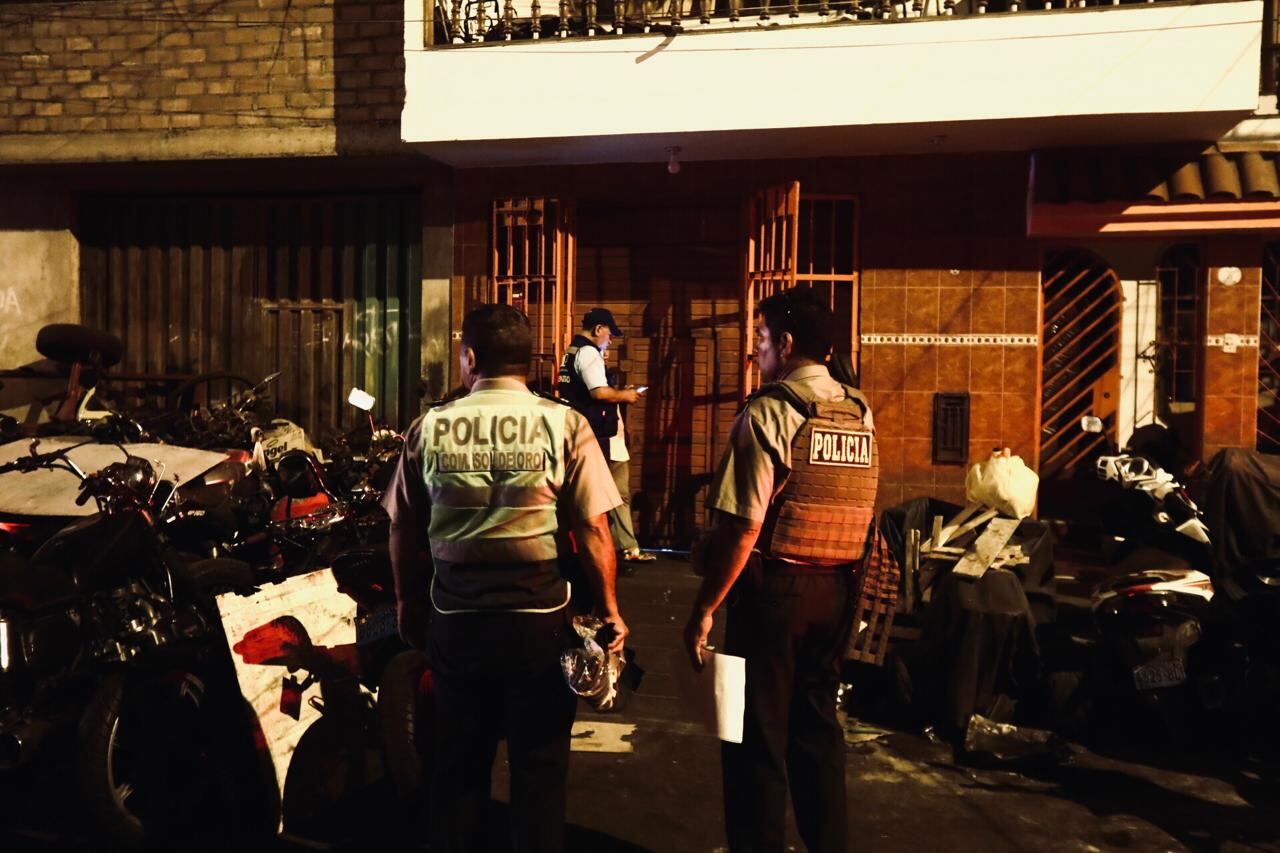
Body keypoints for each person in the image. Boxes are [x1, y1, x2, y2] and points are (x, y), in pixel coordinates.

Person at [385, 303, 629, 853]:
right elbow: (593, 528)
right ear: (526, 362)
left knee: (457, 766)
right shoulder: (567, 424)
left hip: (456, 618)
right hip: (539, 620)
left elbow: (403, 528)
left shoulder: (430, 427)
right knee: (539, 769)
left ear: (469, 358)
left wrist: (407, 604)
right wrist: (611, 610)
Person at [683, 286, 878, 853]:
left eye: (762, 339)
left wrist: (703, 610)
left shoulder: (770, 412)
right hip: (839, 590)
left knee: (755, 740)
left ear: (786, 344)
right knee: (818, 735)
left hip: (776, 597)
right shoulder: (859, 411)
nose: (758, 351)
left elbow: (742, 528)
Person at [558, 306, 656, 567]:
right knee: (614, 493)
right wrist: (625, 395)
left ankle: (616, 546)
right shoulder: (589, 353)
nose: (610, 340)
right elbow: (599, 393)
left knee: (591, 494)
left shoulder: (571, 351)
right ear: (598, 329)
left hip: (580, 431)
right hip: (599, 436)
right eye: (609, 334)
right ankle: (621, 548)